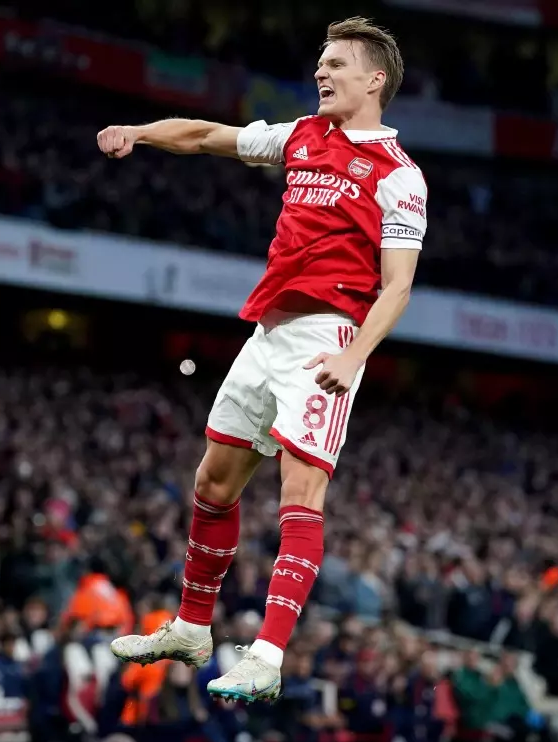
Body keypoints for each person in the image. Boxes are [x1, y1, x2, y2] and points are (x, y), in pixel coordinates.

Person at [103, 16, 427, 703]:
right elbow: (205, 135)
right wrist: (140, 133)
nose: (321, 73)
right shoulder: (302, 138)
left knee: (300, 496)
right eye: (319, 63)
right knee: (213, 481)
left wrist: (357, 353)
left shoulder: (399, 176)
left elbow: (398, 284)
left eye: (335, 64)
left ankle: (269, 654)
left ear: (374, 79)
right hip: (267, 331)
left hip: (327, 339)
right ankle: (193, 628)